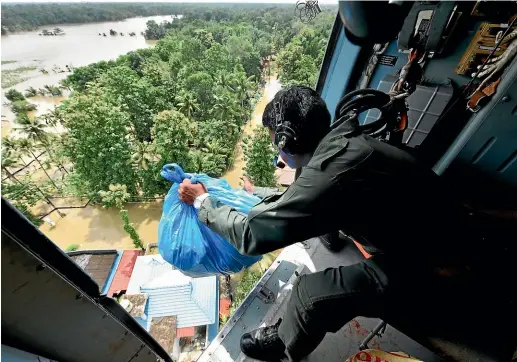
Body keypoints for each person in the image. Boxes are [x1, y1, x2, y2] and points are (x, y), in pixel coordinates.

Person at [178, 86, 475, 362]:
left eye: (275, 144)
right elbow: (305, 196)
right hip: (442, 230)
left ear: (287, 139)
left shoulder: (331, 176)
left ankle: (284, 347)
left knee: (310, 295)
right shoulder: (344, 145)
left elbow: (250, 235)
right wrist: (255, 195)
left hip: (440, 265)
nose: (277, 154)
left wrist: (203, 202)